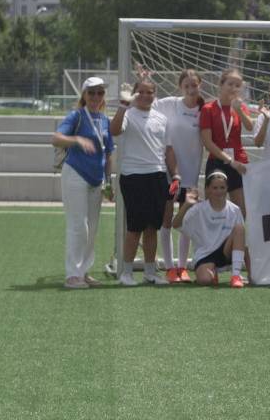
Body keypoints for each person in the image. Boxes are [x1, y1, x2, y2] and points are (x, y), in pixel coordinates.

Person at [110, 77, 180, 287]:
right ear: (134, 94)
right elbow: (114, 131)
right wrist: (123, 106)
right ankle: (126, 273)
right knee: (134, 228)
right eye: (141, 92)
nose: (146, 96)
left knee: (152, 228)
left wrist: (175, 174)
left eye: (150, 92)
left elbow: (168, 150)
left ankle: (150, 272)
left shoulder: (161, 118)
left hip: (157, 176)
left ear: (155, 94)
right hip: (133, 177)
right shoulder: (127, 114)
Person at [52, 77, 114, 289]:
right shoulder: (76, 115)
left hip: (96, 179)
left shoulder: (105, 120)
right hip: (75, 174)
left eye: (100, 93)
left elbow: (109, 152)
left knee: (93, 227)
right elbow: (56, 138)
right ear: (84, 95)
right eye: (91, 93)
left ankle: (83, 271)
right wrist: (76, 140)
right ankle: (72, 274)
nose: (96, 97)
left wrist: (109, 182)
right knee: (78, 225)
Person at [154, 69, 206, 283]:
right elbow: (146, 103)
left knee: (186, 222)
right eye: (187, 85)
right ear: (180, 87)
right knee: (166, 221)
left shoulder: (205, 110)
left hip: (191, 176)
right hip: (169, 174)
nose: (191, 89)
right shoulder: (170, 104)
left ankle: (183, 267)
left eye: (194, 85)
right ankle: (169, 267)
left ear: (200, 85)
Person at [173, 171, 248, 288]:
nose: (219, 191)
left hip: (226, 251)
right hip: (205, 255)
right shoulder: (198, 209)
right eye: (215, 188)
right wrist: (187, 205)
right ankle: (212, 273)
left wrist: (252, 274)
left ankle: (236, 276)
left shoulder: (234, 210)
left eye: (222, 187)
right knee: (204, 280)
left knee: (239, 228)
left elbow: (243, 243)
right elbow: (176, 225)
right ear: (207, 189)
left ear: (227, 188)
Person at [199, 68, 253, 219]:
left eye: (238, 85)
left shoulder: (240, 107)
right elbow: (207, 142)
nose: (234, 88)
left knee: (241, 211)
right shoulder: (208, 109)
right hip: (217, 161)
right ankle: (214, 242)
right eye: (230, 84)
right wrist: (230, 161)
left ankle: (236, 242)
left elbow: (250, 127)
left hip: (239, 162)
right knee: (213, 209)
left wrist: (239, 111)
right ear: (221, 85)